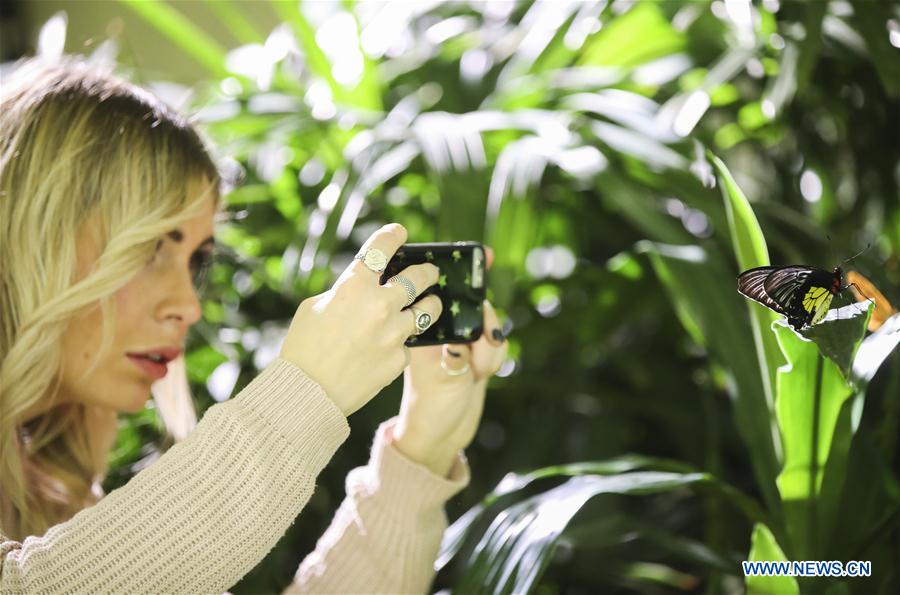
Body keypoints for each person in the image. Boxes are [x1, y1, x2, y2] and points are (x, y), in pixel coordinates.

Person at [0, 54, 508, 593]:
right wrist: (301, 397)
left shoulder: (52, 488)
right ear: (31, 239)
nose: (188, 306)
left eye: (196, 259)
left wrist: (420, 449)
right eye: (151, 248)